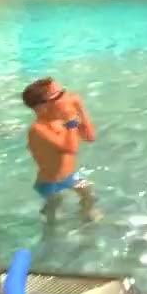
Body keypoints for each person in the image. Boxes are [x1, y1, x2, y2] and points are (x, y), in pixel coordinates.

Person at [23, 77, 101, 222]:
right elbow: (70, 149)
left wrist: (80, 108)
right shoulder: (38, 129)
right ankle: (48, 218)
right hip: (50, 181)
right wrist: (71, 122)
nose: (66, 98)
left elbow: (90, 137)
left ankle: (87, 214)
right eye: (58, 96)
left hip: (70, 176)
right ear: (41, 107)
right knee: (55, 208)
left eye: (64, 92)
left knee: (89, 193)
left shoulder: (61, 121)